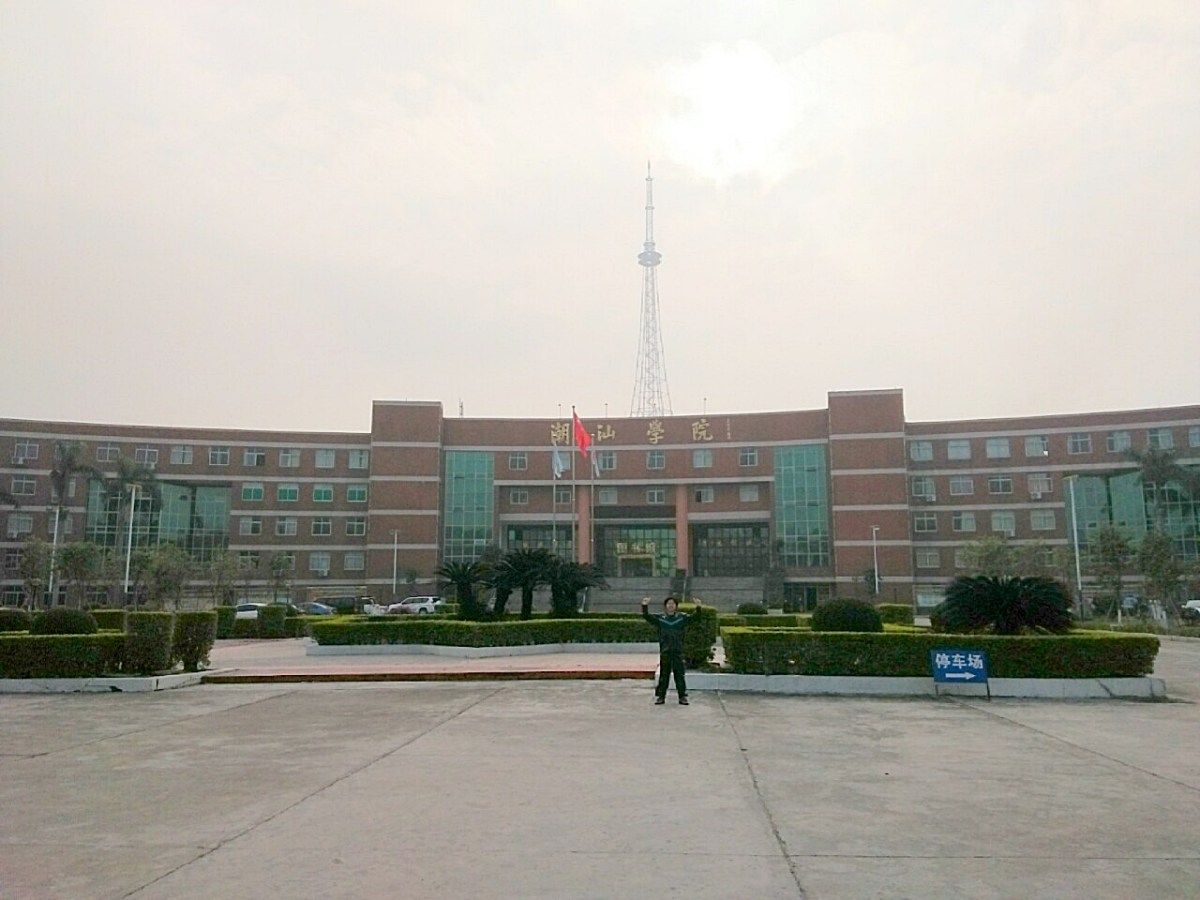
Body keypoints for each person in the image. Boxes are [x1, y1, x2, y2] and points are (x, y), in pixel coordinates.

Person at [641, 595, 702, 705]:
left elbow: (695, 618)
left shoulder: (681, 618)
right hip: (665, 651)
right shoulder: (661, 619)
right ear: (665, 606)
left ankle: (682, 697)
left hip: (678, 650)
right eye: (669, 604)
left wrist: (698, 607)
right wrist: (644, 606)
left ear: (676, 606)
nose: (671, 606)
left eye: (673, 604)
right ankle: (661, 697)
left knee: (679, 675)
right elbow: (647, 617)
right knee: (664, 675)